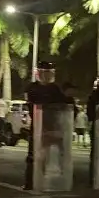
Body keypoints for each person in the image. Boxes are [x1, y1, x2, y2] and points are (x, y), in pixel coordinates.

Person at [24, 61, 74, 190]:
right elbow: (31, 105)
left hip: (54, 125)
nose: (46, 75)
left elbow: (63, 103)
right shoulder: (32, 88)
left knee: (57, 151)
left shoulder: (55, 88)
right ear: (39, 73)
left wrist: (69, 102)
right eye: (44, 72)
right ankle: (30, 181)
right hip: (38, 125)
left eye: (49, 73)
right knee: (33, 154)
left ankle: (59, 178)